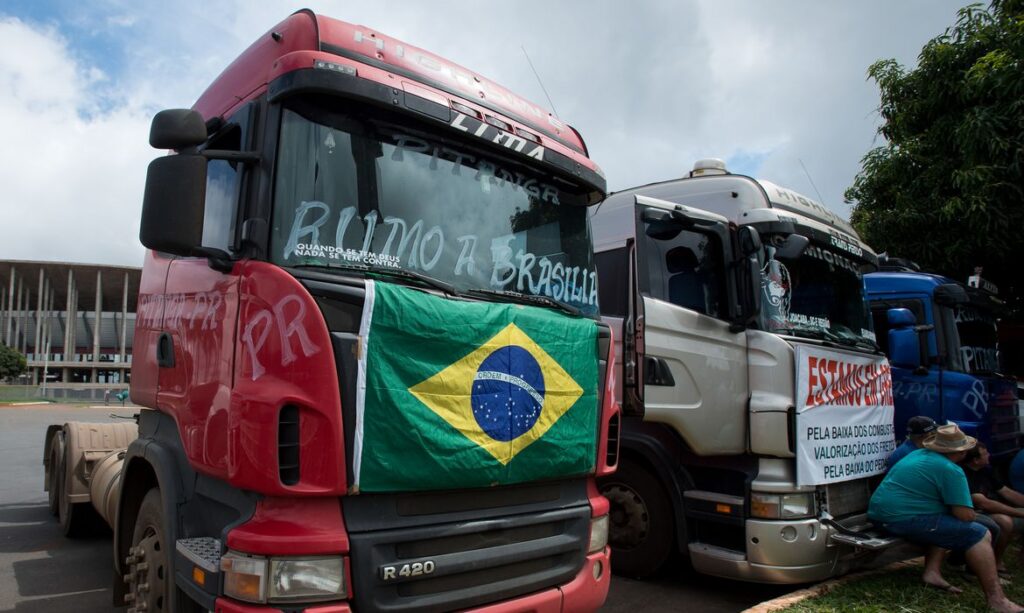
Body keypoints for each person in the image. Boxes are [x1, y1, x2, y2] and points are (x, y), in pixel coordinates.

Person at [868, 424, 1022, 612]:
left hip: (878, 514)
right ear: (962, 452)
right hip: (901, 519)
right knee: (980, 533)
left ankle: (932, 572)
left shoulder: (917, 454)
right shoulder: (951, 470)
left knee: (946, 521)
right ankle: (997, 599)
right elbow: (964, 516)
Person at [962, 441, 1024, 571]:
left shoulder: (985, 470)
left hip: (984, 510)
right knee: (1004, 521)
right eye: (985, 454)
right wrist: (1019, 512)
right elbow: (984, 503)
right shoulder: (964, 474)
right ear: (976, 460)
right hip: (971, 512)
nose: (989, 455)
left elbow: (1006, 492)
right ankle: (996, 562)